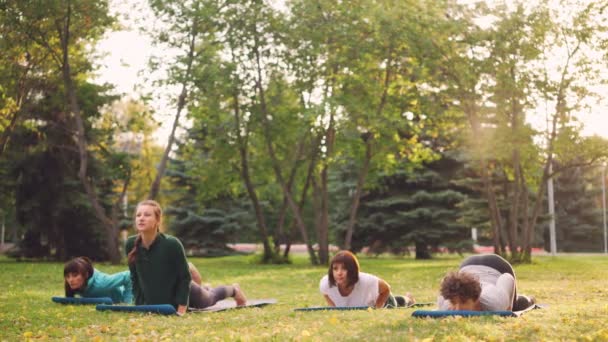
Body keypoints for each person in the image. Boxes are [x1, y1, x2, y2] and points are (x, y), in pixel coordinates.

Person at [126, 200, 191, 315]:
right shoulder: (130, 244)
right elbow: (134, 277)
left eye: (147, 215)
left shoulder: (172, 244)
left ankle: (232, 290)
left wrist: (181, 310)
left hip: (185, 295)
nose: (141, 218)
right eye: (138, 215)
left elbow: (185, 278)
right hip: (152, 304)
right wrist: (139, 305)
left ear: (158, 220)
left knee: (210, 297)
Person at [437, 253, 535, 311]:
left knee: (517, 305)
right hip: (467, 265)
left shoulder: (495, 302)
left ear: (476, 299)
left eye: (463, 302)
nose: (457, 309)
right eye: (453, 302)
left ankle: (529, 299)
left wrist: (508, 308)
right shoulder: (445, 305)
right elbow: (444, 284)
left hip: (497, 266)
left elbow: (507, 277)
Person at [319, 250, 415, 308]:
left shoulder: (366, 280)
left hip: (383, 300)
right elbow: (326, 294)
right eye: (335, 268)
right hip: (368, 300)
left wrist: (378, 308)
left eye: (344, 268)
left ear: (352, 270)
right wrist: (334, 308)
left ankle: (409, 299)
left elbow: (386, 288)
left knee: (398, 303)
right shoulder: (325, 283)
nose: (339, 273)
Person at [64, 256, 133, 304]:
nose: (70, 280)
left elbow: (128, 276)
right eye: (67, 276)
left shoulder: (102, 283)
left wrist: (127, 302)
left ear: (86, 275)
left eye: (75, 275)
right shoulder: (71, 285)